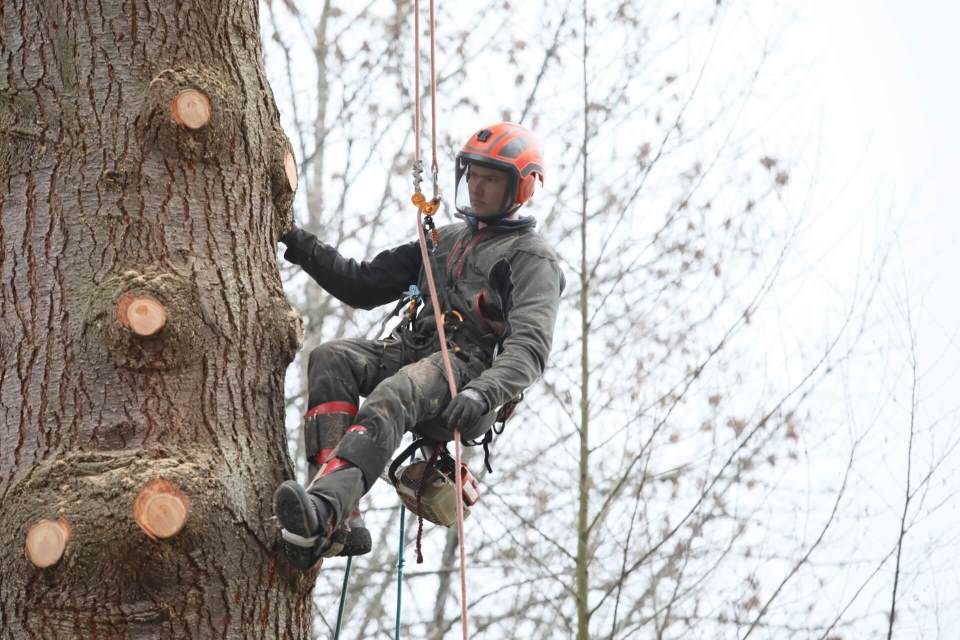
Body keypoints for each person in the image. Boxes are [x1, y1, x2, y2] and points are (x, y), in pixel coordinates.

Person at [274, 122, 565, 569]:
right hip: (415, 349)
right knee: (331, 358)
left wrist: (483, 392)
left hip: (468, 375)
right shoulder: (444, 239)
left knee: (398, 392)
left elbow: (529, 348)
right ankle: (340, 516)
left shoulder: (531, 258)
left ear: (520, 188)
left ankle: (323, 511)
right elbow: (363, 284)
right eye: (473, 174)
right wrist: (296, 241)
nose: (478, 186)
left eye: (492, 179)